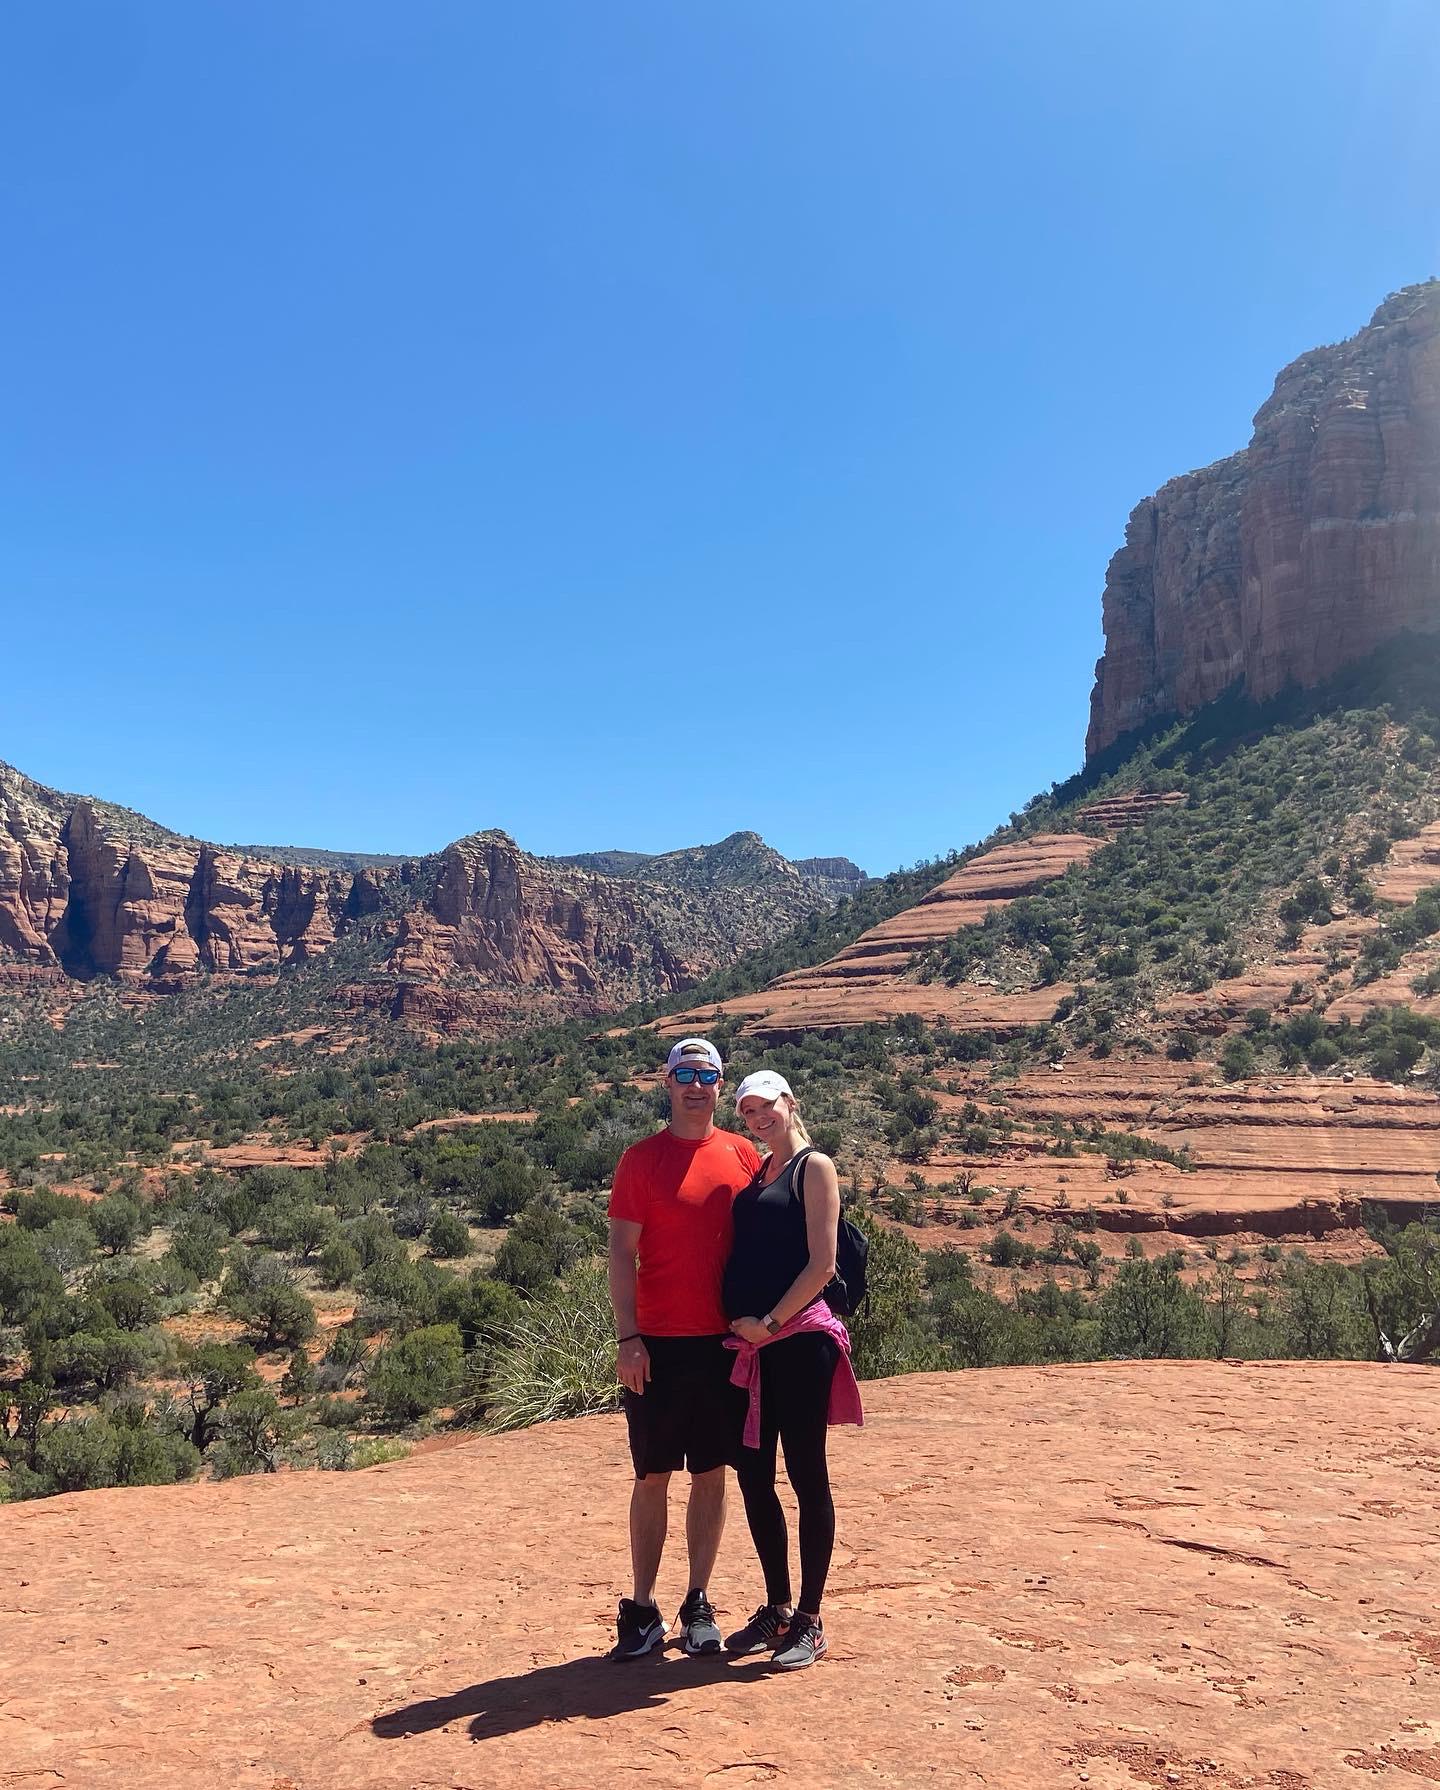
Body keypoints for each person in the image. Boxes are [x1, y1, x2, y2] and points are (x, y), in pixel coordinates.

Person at [606, 1037, 762, 1661]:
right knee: (651, 1475)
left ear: (721, 1085)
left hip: (724, 1344)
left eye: (708, 1074)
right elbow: (621, 1252)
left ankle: (698, 1600)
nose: (696, 1085)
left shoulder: (744, 1155)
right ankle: (642, 1607)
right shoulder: (640, 1160)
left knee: (710, 1473)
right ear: (667, 1083)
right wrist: (628, 1338)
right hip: (656, 1347)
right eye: (685, 1074)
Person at [721, 1069, 863, 1671]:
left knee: (807, 1475)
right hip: (757, 1343)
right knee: (754, 1473)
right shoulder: (761, 1170)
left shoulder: (814, 1167)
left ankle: (810, 1618)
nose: (757, 1118)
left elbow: (823, 1265)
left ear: (789, 1102)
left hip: (799, 1341)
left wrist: (770, 1323)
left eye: (765, 1106)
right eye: (748, 1111)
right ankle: (777, 1605)